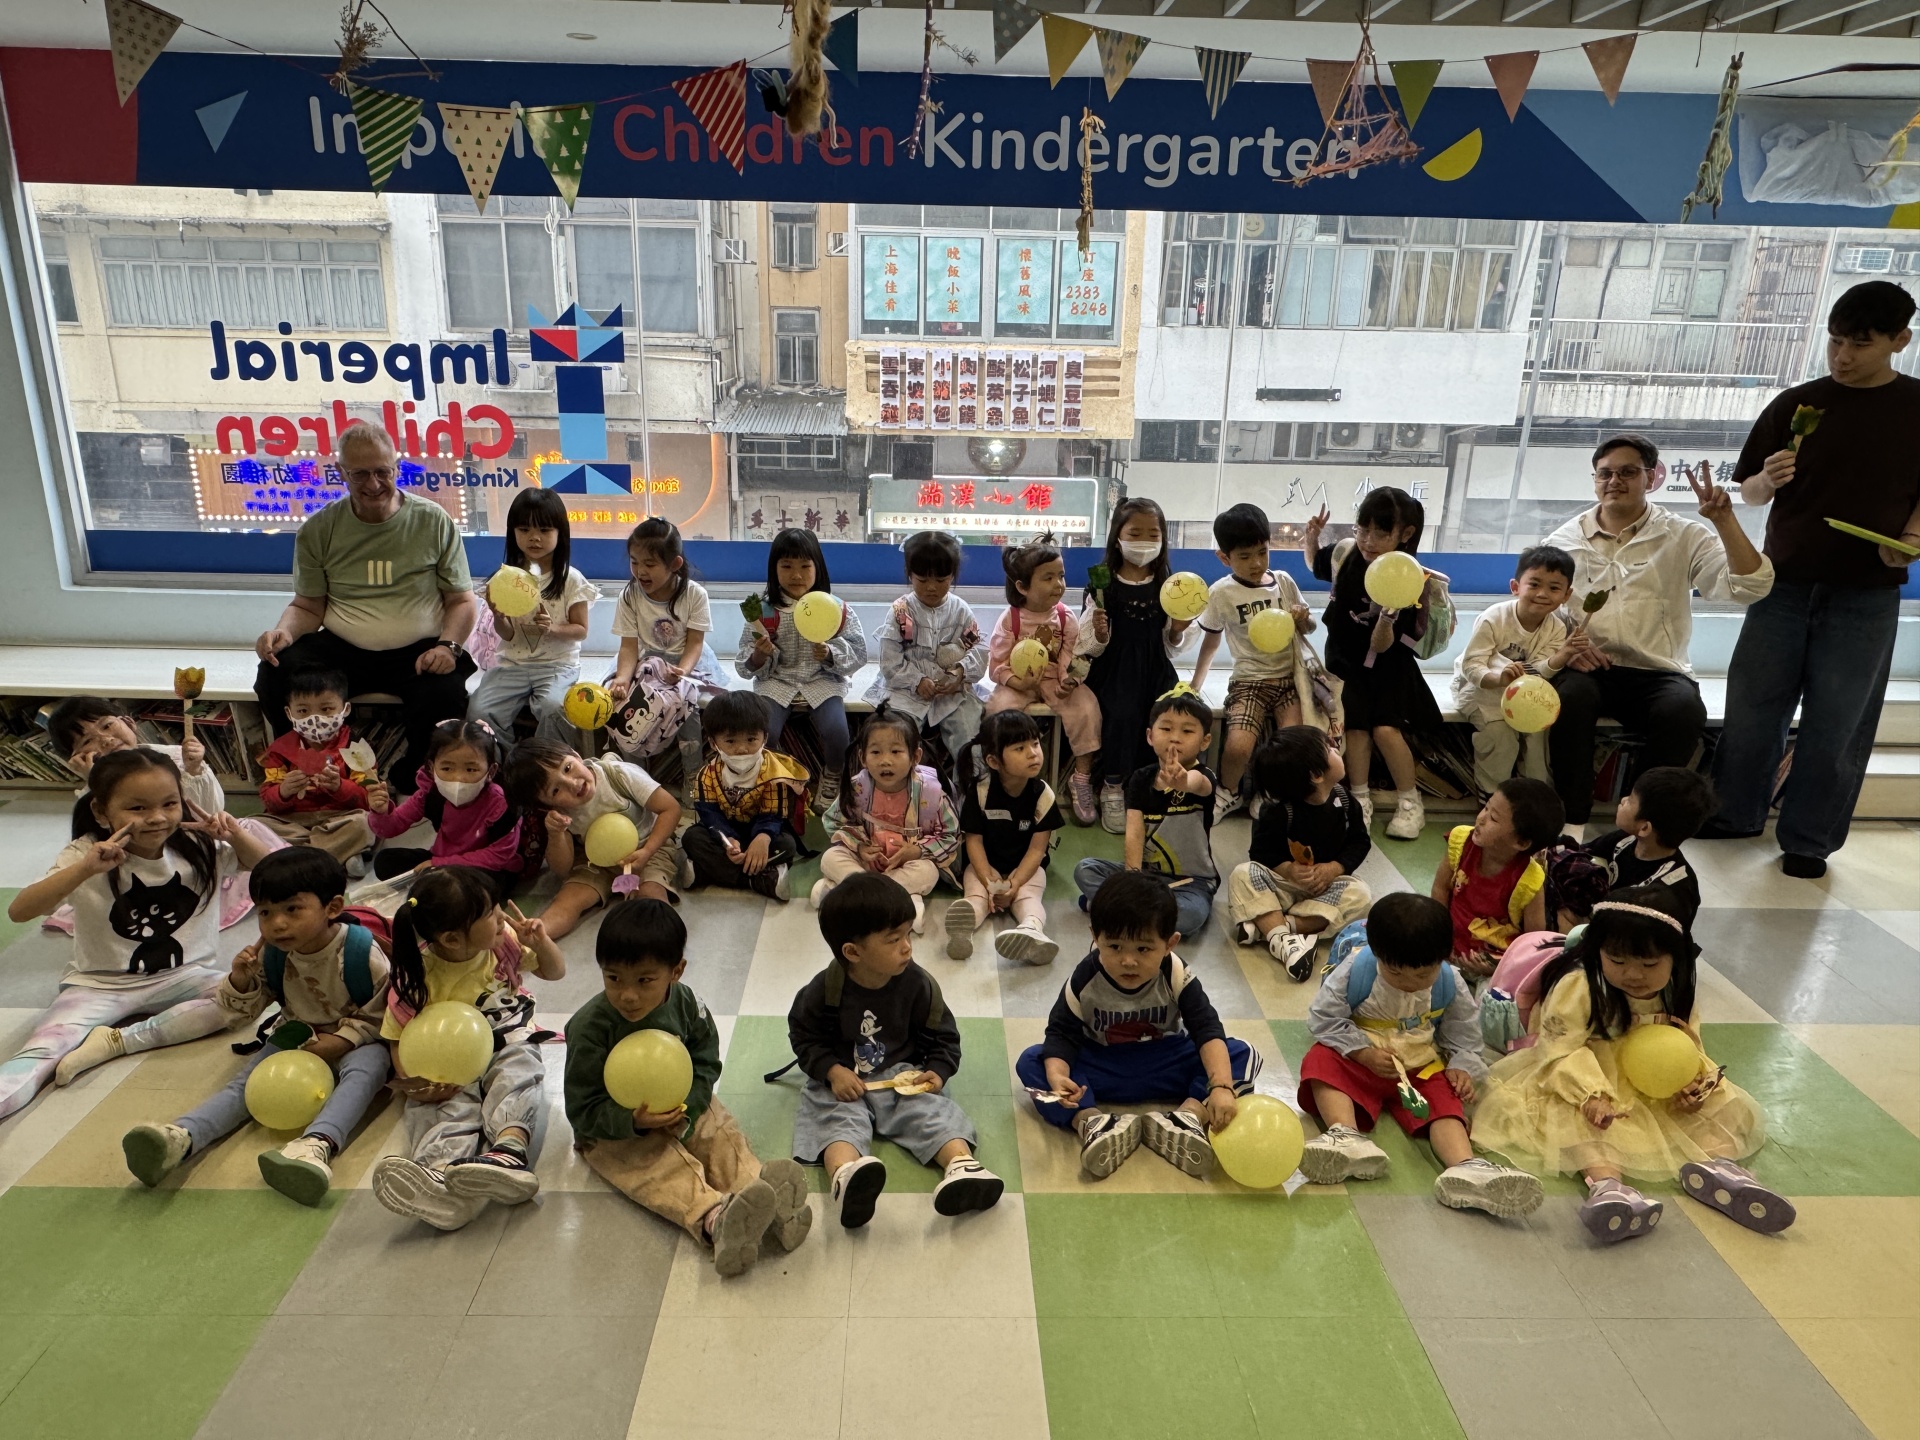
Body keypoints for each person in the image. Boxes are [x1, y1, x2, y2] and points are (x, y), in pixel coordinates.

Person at [1708, 282, 1920, 878]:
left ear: (1900, 341)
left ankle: (1808, 840)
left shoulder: (1916, 407)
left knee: (1839, 721)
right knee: (1753, 707)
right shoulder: (1798, 403)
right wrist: (1767, 479)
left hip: (1867, 591)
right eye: (1834, 341)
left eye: (1860, 344)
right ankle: (1733, 813)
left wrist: (1911, 538)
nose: (1842, 356)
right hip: (1782, 583)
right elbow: (1750, 492)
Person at [1471, 887, 1790, 1245]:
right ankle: (1609, 1187)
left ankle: (1723, 1168)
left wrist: (1692, 1083)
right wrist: (1591, 1095)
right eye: (1617, 961)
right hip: (1587, 1074)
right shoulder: (1581, 985)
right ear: (1598, 951)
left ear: (1676, 957)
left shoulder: (1676, 987)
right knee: (1578, 1122)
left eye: (1649, 965)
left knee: (1722, 1107)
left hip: (1655, 1081)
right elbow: (1558, 1049)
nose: (1633, 974)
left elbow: (1686, 1044)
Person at [2, 750, 273, 1120]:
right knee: (42, 1052)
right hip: (100, 984)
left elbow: (272, 870)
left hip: (186, 976)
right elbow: (19, 911)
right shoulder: (85, 852)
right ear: (101, 812)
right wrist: (84, 870)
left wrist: (237, 835)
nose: (157, 818)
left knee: (244, 999)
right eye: (137, 808)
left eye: (169, 804)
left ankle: (116, 1042)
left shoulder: (198, 846)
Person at [119, 848, 391, 1203]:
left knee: (367, 1071)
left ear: (333, 907)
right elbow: (239, 1014)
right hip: (297, 1032)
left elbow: (385, 1014)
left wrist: (342, 1041)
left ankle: (316, 1145)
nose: (277, 924)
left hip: (356, 1040)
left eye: (292, 909)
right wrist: (241, 980)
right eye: (265, 912)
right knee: (244, 1085)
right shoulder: (272, 954)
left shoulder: (360, 952)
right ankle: (182, 1138)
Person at [564, 900, 811, 1276]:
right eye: (613, 978)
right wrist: (633, 1122)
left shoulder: (687, 1004)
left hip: (682, 1103)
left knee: (719, 1134)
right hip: (612, 1129)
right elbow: (582, 1108)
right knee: (658, 1166)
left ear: (676, 971)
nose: (627, 995)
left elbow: (705, 1061)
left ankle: (764, 1193)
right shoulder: (589, 1028)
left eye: (644, 980)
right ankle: (716, 1221)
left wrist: (690, 1107)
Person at [1542, 434, 1771, 832]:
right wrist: (1567, 648)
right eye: (1605, 474)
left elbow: (1750, 587)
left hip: (1658, 670)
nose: (1615, 481)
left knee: (1682, 712)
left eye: (1628, 472)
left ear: (1652, 477)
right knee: (1569, 700)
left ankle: (1637, 824)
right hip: (1589, 667)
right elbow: (1540, 609)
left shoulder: (1683, 535)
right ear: (1595, 481)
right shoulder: (1563, 541)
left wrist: (1724, 520)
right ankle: (1572, 823)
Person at [254, 421, 476, 794]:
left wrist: (448, 646)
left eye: (382, 472)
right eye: (359, 474)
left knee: (445, 695)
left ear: (397, 468)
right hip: (343, 648)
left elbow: (461, 600)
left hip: (418, 651)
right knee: (275, 673)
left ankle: (412, 781)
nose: (373, 484)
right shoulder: (319, 529)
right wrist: (284, 632)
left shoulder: (433, 520)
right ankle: (298, 768)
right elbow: (308, 605)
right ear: (341, 472)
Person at [1298, 892, 1544, 1217]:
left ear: (1443, 958)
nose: (1410, 983)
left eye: (1422, 975)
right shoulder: (1357, 969)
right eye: (1396, 974)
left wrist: (1462, 1067)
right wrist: (1361, 1053)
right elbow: (1324, 1018)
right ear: (1377, 954)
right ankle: (1344, 1135)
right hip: (1363, 1059)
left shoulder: (1449, 982)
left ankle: (1466, 1167)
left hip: (1420, 1067)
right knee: (1321, 1060)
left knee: (1445, 1099)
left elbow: (1464, 1034)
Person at [787, 873, 1004, 1228]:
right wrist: (830, 1070)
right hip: (842, 1076)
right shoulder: (824, 989)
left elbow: (944, 1038)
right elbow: (804, 1036)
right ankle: (846, 1176)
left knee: (928, 1109)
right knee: (834, 1116)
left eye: (907, 935)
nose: (907, 947)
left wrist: (938, 1070)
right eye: (893, 939)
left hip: (900, 1073)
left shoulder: (919, 985)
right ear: (853, 952)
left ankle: (962, 1165)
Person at [1014, 871, 1258, 1180]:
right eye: (1115, 947)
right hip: (1103, 1068)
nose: (1128, 961)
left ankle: (1188, 1116)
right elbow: (1061, 1033)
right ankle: (1091, 1121)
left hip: (1166, 1062)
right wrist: (1059, 1077)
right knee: (1032, 1061)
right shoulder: (1084, 978)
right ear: (1095, 936)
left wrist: (1221, 1086)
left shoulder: (1177, 974)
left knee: (1241, 1053)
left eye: (1143, 949)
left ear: (1170, 943)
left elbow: (1206, 1028)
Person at [369, 867, 564, 1231]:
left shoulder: (503, 941)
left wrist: (540, 944)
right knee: (444, 1107)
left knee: (518, 1073)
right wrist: (417, 1084)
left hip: (507, 1037)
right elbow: (398, 1037)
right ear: (452, 939)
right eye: (490, 913)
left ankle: (508, 1150)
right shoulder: (417, 976)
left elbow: (555, 972)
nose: (501, 917)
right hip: (450, 1060)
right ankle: (439, 1179)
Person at [1304, 487, 1445, 840]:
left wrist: (1387, 615)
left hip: (1389, 666)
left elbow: (1381, 645)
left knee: (1384, 729)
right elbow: (1316, 564)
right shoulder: (1345, 553)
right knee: (1354, 727)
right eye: (1362, 529)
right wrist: (1311, 537)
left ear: (1405, 534)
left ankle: (1410, 802)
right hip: (1344, 661)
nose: (1368, 540)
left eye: (1381, 533)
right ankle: (1359, 800)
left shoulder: (1408, 578)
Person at [1191, 502, 1322, 819]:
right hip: (1248, 682)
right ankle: (1228, 792)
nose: (1257, 563)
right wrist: (1194, 686)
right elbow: (1211, 641)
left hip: (1289, 680)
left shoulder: (1283, 582)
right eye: (1245, 556)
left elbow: (1309, 628)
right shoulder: (1222, 593)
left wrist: (1303, 618)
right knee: (1238, 745)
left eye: (1263, 552)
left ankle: (1272, 794)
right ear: (1225, 558)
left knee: (1292, 744)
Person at [1080, 497, 1192, 833]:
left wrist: (1178, 629)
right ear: (1118, 536)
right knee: (1123, 712)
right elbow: (1088, 644)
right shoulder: (1102, 582)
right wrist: (1099, 633)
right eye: (1135, 533)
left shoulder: (1167, 584)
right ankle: (1112, 785)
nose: (1144, 541)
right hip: (1113, 669)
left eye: (1153, 534)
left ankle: (1161, 781)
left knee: (1174, 710)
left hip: (1155, 667)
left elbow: (1171, 644)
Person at [736, 527, 868, 814]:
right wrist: (758, 656)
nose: (796, 575)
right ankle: (777, 776)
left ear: (817, 567)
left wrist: (830, 653)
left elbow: (859, 651)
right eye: (786, 566)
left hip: (822, 680)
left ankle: (833, 775)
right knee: (764, 731)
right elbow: (744, 661)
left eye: (805, 566)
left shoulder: (836, 609)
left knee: (837, 731)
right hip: (777, 682)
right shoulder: (762, 611)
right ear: (774, 569)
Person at [1074, 688, 1220, 942]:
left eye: (1187, 731)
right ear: (1150, 736)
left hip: (1191, 882)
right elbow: (1134, 833)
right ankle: (1145, 916)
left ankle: (1114, 911)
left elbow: (1198, 784)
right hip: (1146, 876)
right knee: (1085, 869)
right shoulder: (1141, 778)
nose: (1175, 738)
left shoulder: (1204, 776)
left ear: (1205, 741)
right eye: (1166, 729)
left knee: (1189, 917)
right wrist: (1133, 880)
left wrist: (1182, 782)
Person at [1228, 725, 1373, 981]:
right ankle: (1289, 943)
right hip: (1284, 886)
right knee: (1242, 874)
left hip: (1325, 888)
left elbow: (1359, 842)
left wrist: (1335, 868)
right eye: (1329, 748)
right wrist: (1288, 870)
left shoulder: (1345, 801)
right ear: (1316, 775)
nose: (1336, 749)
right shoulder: (1279, 811)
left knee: (1360, 895)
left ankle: (1273, 927)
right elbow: (1260, 852)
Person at [503, 738, 685, 937]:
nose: (572, 783)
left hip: (649, 847)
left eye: (567, 768)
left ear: (576, 755)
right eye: (555, 790)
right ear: (545, 805)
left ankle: (664, 941)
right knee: (567, 901)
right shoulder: (559, 813)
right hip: (596, 861)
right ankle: (530, 938)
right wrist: (556, 835)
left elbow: (670, 808)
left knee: (650, 894)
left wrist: (648, 851)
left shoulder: (618, 775)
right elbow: (563, 869)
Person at [986, 535, 1103, 825]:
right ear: (1022, 587)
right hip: (1019, 682)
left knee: (1087, 707)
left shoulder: (1065, 617)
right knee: (998, 710)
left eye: (1061, 576)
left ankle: (1081, 777)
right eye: (1048, 578)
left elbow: (1070, 655)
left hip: (1053, 680)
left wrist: (1069, 681)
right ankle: (1003, 775)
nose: (1058, 584)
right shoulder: (1010, 619)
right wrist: (1018, 683)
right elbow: (996, 665)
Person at [467, 487, 598, 745]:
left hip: (557, 665)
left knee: (555, 708)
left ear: (560, 533)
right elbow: (507, 635)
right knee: (479, 710)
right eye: (524, 529)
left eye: (544, 530)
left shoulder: (571, 579)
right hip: (512, 665)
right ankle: (506, 760)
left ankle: (546, 762)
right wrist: (499, 617)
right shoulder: (505, 579)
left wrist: (553, 628)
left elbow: (581, 630)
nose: (534, 538)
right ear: (513, 532)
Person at [1450, 546, 1585, 795]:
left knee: (1538, 738)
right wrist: (1498, 678)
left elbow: (1539, 674)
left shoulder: (1556, 628)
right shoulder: (1494, 618)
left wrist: (1563, 655)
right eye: (1534, 584)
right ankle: (1492, 794)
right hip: (1479, 689)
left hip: (1523, 696)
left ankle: (1531, 795)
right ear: (1515, 587)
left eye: (1554, 588)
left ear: (1566, 595)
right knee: (1500, 734)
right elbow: (1472, 665)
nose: (1542, 594)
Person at [815, 710, 962, 932]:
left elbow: (951, 834)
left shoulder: (931, 792)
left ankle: (850, 893)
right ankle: (901, 901)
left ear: (915, 757)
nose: (885, 761)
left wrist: (917, 851)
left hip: (905, 865)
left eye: (896, 751)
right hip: (866, 862)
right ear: (863, 758)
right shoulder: (857, 788)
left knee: (928, 872)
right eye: (876, 752)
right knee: (830, 857)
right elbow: (833, 821)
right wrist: (860, 846)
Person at [950, 710, 1064, 965]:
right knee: (976, 896)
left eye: (1035, 743)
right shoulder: (980, 791)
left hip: (1025, 867)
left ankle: (1032, 929)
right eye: (1020, 748)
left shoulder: (1043, 795)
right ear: (993, 761)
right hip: (984, 865)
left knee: (1028, 897)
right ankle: (962, 931)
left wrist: (1015, 883)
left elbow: (1037, 850)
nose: (1033, 753)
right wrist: (988, 879)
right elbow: (974, 841)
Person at [866, 529, 989, 764]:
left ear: (953, 576)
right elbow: (890, 662)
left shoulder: (961, 610)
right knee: (896, 739)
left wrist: (959, 673)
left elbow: (978, 648)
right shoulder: (901, 612)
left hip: (951, 694)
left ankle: (971, 784)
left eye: (941, 580)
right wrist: (917, 680)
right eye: (922, 580)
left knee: (970, 740)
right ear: (909, 574)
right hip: (906, 693)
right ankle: (903, 783)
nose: (931, 587)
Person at [610, 518, 715, 793]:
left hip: (686, 662)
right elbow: (628, 647)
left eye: (650, 564)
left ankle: (693, 777)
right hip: (646, 663)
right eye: (634, 562)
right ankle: (637, 780)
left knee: (687, 708)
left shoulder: (694, 594)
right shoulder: (629, 595)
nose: (640, 571)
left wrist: (683, 670)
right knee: (626, 707)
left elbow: (695, 643)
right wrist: (622, 678)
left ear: (675, 564)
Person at [366, 719, 523, 901]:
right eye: (447, 768)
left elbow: (498, 856)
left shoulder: (501, 803)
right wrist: (380, 811)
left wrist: (439, 864)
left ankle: (441, 887)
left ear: (491, 771)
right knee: (385, 861)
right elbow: (391, 827)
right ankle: (442, 887)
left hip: (486, 868)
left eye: (471, 769)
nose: (458, 778)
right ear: (432, 768)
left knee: (488, 887)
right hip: (442, 859)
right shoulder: (431, 793)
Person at [681, 691, 810, 901]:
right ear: (713, 743)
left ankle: (706, 871)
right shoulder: (707, 774)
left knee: (788, 845)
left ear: (764, 737)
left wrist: (762, 838)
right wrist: (727, 840)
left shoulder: (774, 772)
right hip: (726, 835)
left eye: (751, 739)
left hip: (760, 831)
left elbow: (772, 815)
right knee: (691, 838)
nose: (742, 749)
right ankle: (757, 880)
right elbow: (710, 815)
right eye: (730, 741)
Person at [1430, 777, 1563, 981]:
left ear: (1521, 842)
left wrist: (1496, 967)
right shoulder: (1461, 841)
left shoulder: (1529, 880)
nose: (1481, 819)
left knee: (1496, 995)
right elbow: (1440, 889)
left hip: (1495, 961)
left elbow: (1532, 942)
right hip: (1447, 942)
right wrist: (1440, 937)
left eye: (1493, 818)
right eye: (1486, 808)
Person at [254, 669, 377, 867]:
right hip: (293, 821)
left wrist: (340, 787)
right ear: (289, 713)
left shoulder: (356, 748)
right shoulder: (280, 750)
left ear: (345, 709)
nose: (315, 719)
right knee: (252, 826)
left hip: (339, 818)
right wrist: (283, 791)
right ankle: (336, 856)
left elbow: (370, 798)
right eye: (303, 711)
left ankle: (295, 858)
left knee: (365, 823)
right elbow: (269, 801)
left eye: (326, 709)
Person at [1579, 766, 1713, 929]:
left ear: (1644, 828)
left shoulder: (1674, 889)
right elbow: (1578, 854)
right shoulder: (1624, 840)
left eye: (1630, 800)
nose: (1623, 800)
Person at [49, 695, 224, 816]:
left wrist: (193, 769)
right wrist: (95, 782)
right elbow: (103, 832)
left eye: (107, 725)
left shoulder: (178, 757)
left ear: (129, 722)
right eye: (87, 741)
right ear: (77, 758)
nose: (106, 740)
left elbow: (210, 813)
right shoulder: (91, 794)